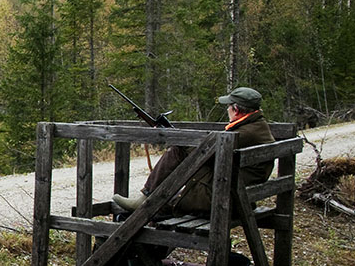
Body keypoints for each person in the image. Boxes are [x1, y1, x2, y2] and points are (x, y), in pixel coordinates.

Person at [112, 87, 275, 214]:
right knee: (180, 152)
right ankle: (148, 200)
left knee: (178, 151)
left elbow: (206, 156)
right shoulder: (255, 126)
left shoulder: (244, 132)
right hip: (236, 193)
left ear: (237, 110)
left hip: (222, 196)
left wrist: (179, 140)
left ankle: (146, 198)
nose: (227, 110)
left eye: (229, 107)